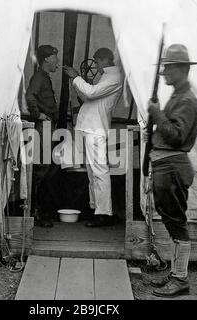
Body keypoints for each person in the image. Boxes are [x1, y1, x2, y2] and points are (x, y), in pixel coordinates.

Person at [144, 44, 197, 297]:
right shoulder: (178, 97)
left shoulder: (187, 100)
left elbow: (177, 136)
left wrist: (157, 115)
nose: (164, 73)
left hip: (172, 166)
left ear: (180, 69)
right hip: (166, 165)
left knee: (176, 223)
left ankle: (180, 278)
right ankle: (177, 273)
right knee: (171, 220)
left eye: (167, 68)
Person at [63, 48, 123, 227]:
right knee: (93, 172)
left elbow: (90, 93)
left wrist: (76, 77)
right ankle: (96, 208)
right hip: (90, 126)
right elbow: (88, 96)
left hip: (96, 128)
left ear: (105, 60)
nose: (95, 66)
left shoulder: (114, 77)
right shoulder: (104, 76)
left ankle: (104, 213)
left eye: (96, 62)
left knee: (99, 171)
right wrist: (79, 82)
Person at [25, 45, 59, 227]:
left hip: (48, 126)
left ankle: (37, 211)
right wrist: (37, 115)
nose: (57, 62)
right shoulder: (39, 77)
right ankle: (33, 213)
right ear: (46, 59)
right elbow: (30, 96)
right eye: (55, 58)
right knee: (40, 171)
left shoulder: (44, 77)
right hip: (43, 126)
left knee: (44, 169)